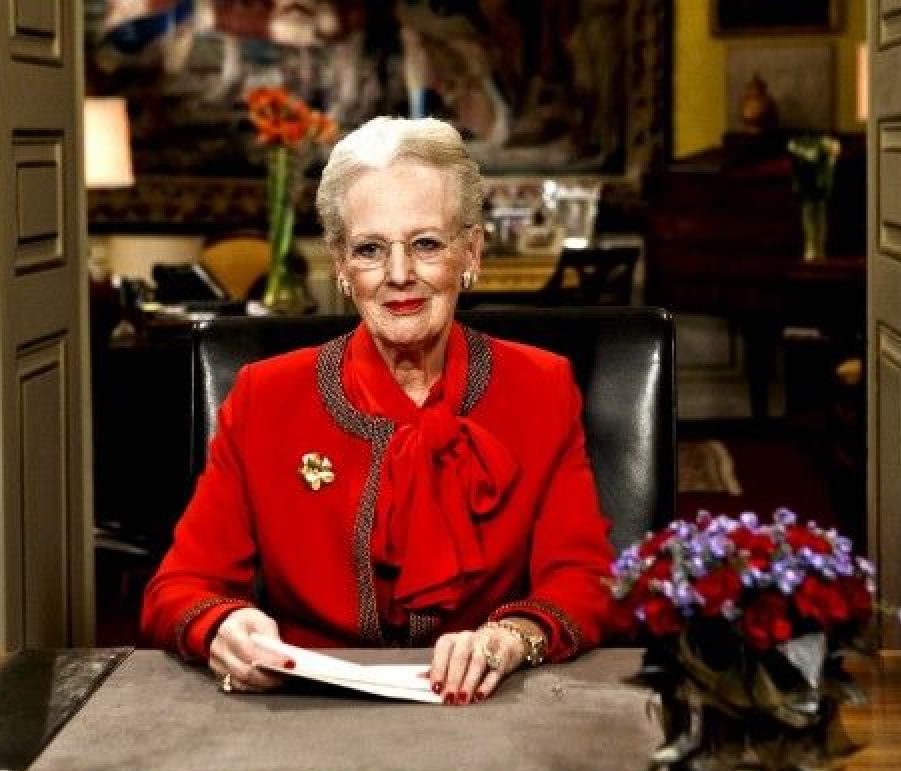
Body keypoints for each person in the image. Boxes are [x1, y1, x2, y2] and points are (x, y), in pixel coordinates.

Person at [141, 116, 616, 704]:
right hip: (306, 709)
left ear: (471, 251)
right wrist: (223, 628)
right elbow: (179, 586)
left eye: (426, 244)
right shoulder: (264, 396)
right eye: (369, 249)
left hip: (484, 707)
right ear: (341, 265)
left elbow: (584, 580)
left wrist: (512, 637)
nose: (398, 275)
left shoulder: (541, 386)